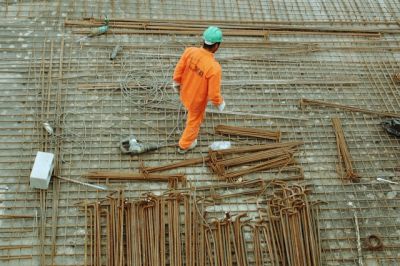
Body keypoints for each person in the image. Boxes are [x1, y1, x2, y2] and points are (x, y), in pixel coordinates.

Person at [173, 26, 226, 154]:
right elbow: (213, 94)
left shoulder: (190, 51)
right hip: (196, 101)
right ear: (216, 46)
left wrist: (176, 82)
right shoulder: (214, 68)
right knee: (194, 121)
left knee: (194, 114)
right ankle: (184, 144)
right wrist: (220, 103)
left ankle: (193, 123)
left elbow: (179, 68)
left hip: (184, 91)